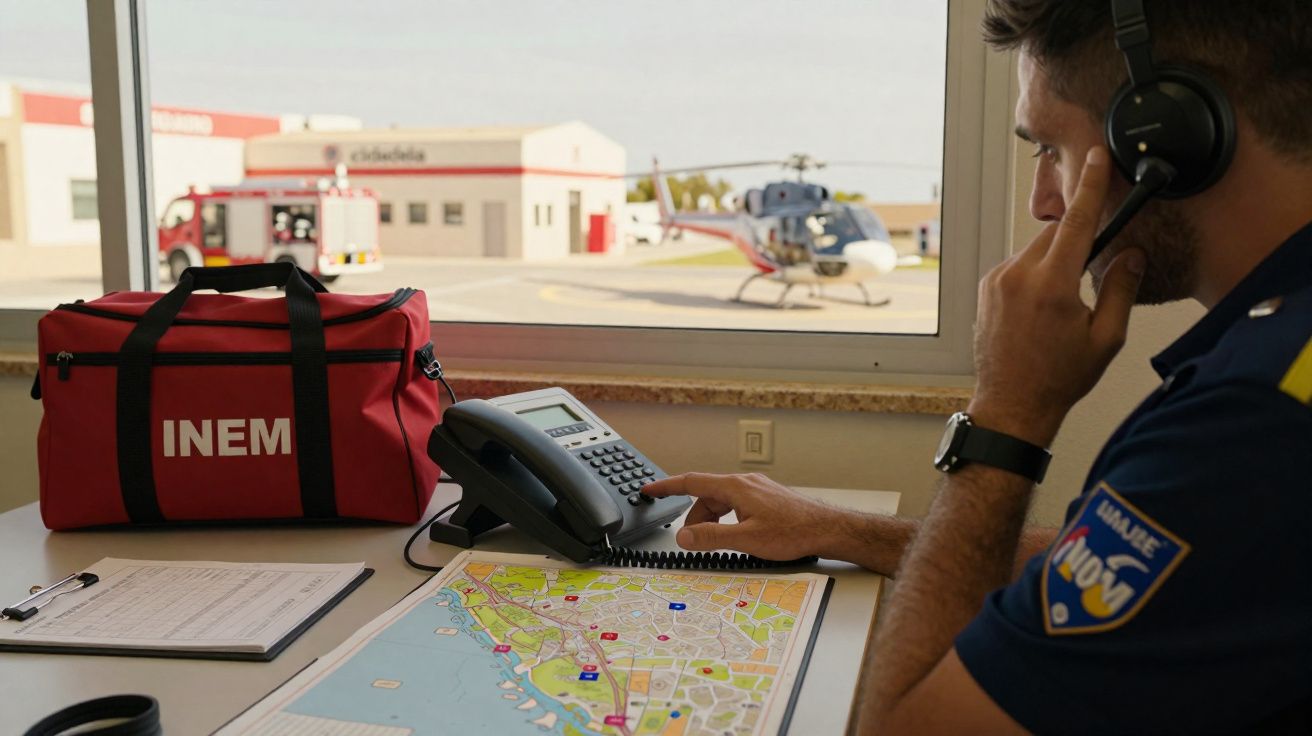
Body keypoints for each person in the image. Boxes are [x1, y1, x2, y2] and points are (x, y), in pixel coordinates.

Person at [643, 1, 1312, 732]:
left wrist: (1007, 416)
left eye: (1050, 149)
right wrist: (838, 529)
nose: (1042, 202)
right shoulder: (1275, 368)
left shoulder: (1253, 422)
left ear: (1167, 136)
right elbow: (1137, 575)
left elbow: (904, 729)